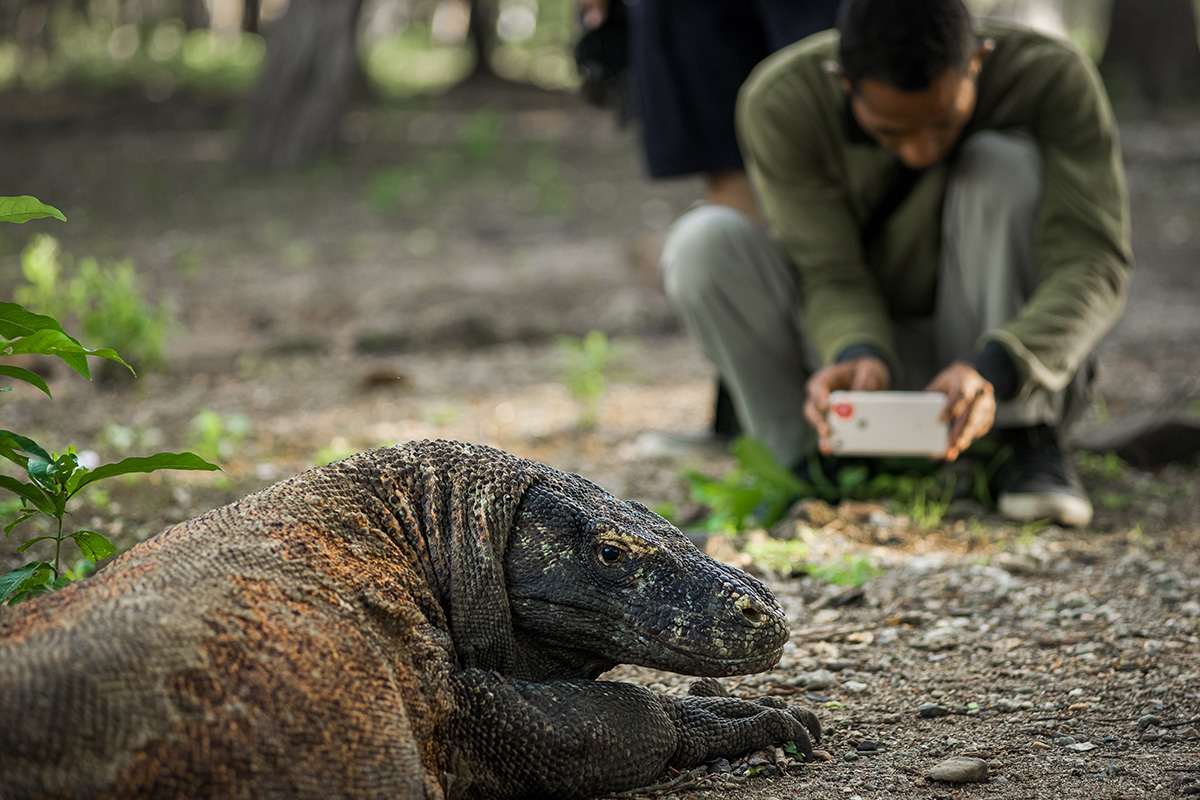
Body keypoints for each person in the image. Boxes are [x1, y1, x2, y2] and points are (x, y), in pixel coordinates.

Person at [659, 0, 1132, 527]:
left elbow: (1094, 260)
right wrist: (858, 350)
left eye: (944, 123)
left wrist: (999, 366)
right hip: (870, 358)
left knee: (1002, 165)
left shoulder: (1050, 76)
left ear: (979, 61)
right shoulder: (782, 99)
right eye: (890, 131)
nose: (919, 151)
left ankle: (1021, 445)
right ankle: (806, 461)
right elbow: (827, 269)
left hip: (1002, 365)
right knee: (703, 241)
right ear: (843, 82)